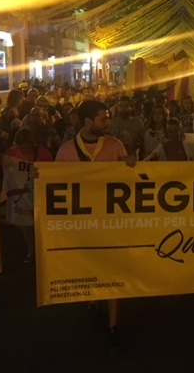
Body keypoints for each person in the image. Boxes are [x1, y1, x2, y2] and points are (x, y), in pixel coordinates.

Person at [55, 100, 134, 355]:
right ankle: (92, 300)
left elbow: (129, 182)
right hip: (83, 225)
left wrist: (132, 167)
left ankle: (113, 324)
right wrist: (41, 177)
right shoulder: (67, 151)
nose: (108, 122)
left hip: (111, 223)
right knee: (90, 266)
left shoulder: (115, 146)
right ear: (88, 122)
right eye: (103, 119)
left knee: (112, 272)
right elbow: (55, 184)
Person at [3, 128, 54, 262]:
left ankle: (42, 249)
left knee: (40, 224)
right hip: (24, 194)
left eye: (27, 145)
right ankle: (31, 250)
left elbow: (51, 170)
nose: (24, 148)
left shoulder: (43, 153)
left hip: (40, 191)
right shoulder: (12, 152)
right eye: (21, 145)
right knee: (26, 224)